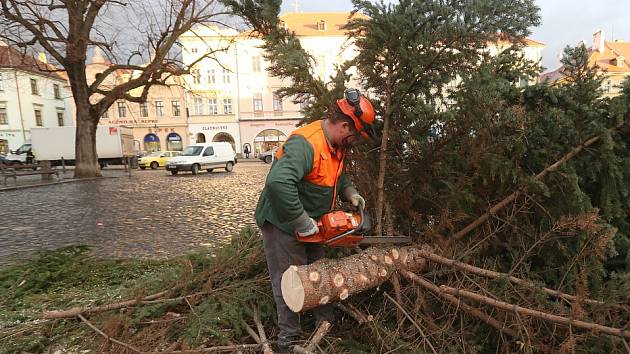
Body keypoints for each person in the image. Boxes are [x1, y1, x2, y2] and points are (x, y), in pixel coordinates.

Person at [254, 88, 376, 352]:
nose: (354, 143)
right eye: (355, 137)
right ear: (345, 126)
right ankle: (289, 338)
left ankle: (324, 323)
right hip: (282, 221)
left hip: (315, 222)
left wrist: (351, 193)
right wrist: (300, 220)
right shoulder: (306, 143)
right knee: (289, 279)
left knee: (318, 271)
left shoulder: (335, 145)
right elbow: (277, 182)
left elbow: (339, 176)